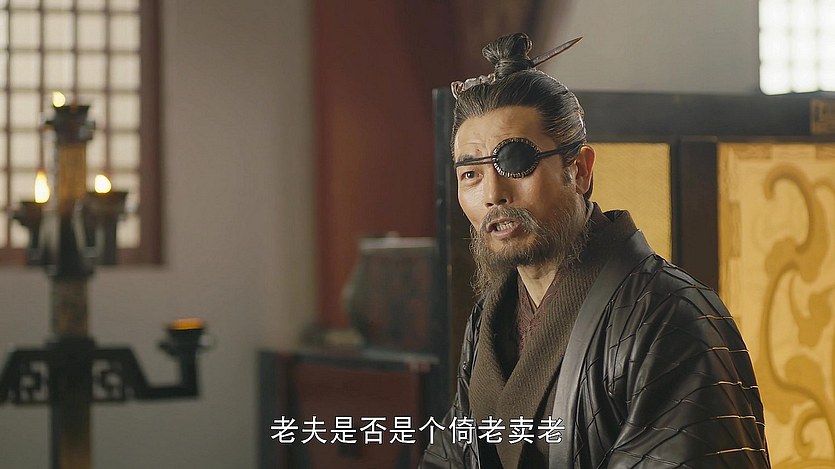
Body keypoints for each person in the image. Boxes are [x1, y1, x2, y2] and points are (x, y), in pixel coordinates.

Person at [421, 33, 770, 469]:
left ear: (580, 170)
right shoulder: (489, 320)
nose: (493, 194)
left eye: (516, 163)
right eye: (471, 174)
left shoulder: (671, 316)